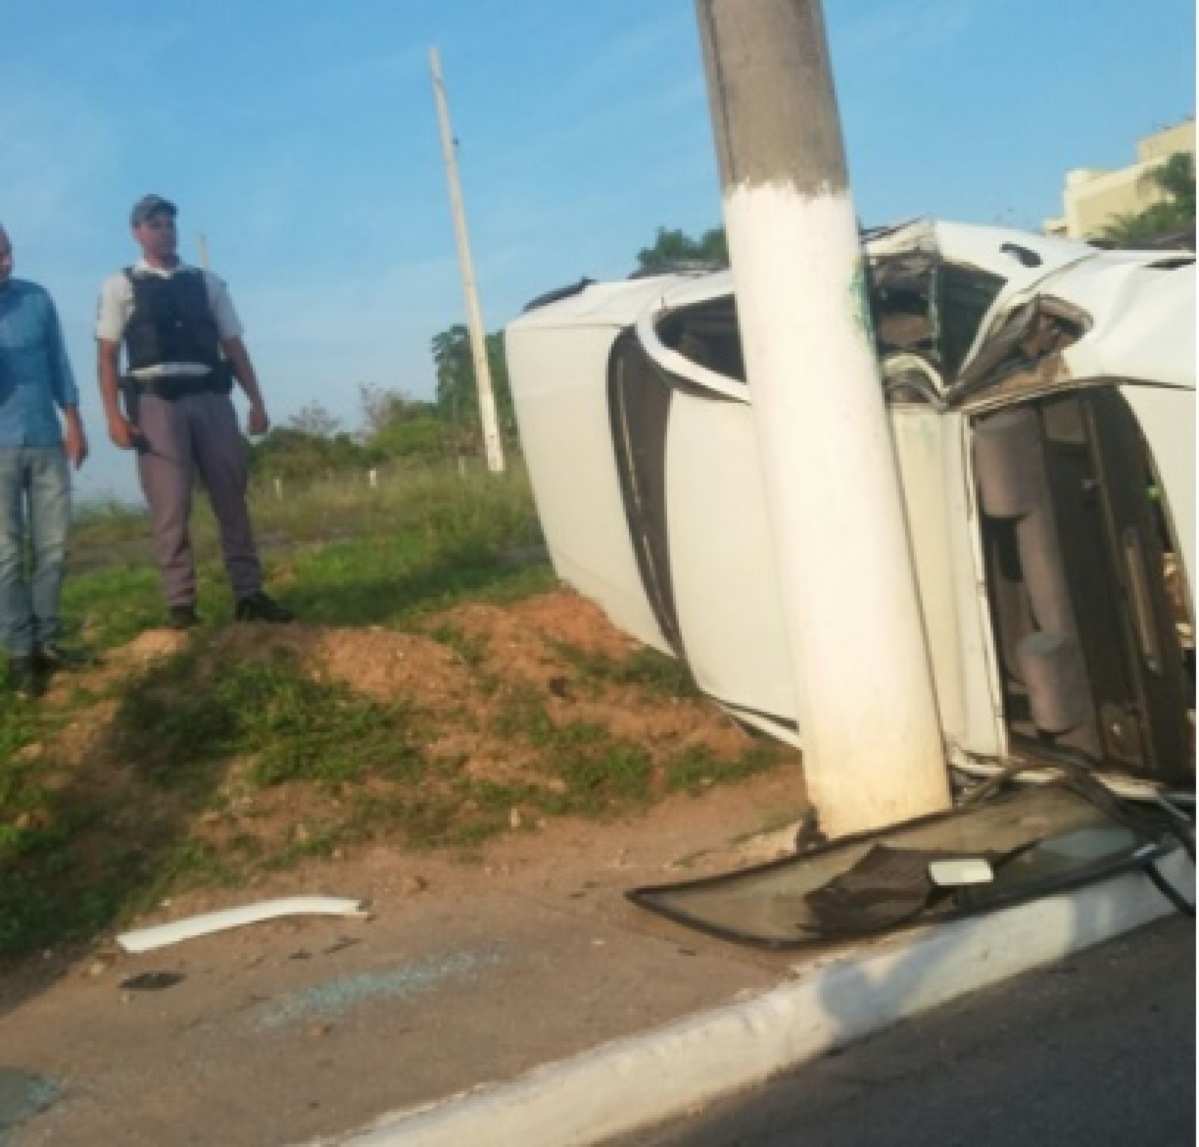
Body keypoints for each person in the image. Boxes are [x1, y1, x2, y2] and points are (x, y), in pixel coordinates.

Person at [96, 194, 292, 629]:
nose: (164, 231)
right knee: (170, 503)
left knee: (231, 495)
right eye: (154, 225)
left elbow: (233, 346)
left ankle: (249, 593)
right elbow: (107, 354)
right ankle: (181, 603)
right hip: (155, 402)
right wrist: (113, 415)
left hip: (211, 397)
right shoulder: (120, 285)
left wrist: (257, 401)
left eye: (168, 224)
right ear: (137, 232)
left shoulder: (207, 283)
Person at [0, 224, 88, 697]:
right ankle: (19, 654)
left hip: (46, 439)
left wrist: (73, 420)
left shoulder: (36, 298)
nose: (5, 263)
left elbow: (59, 359)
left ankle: (47, 642)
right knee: (7, 554)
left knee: (54, 547)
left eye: (7, 252)